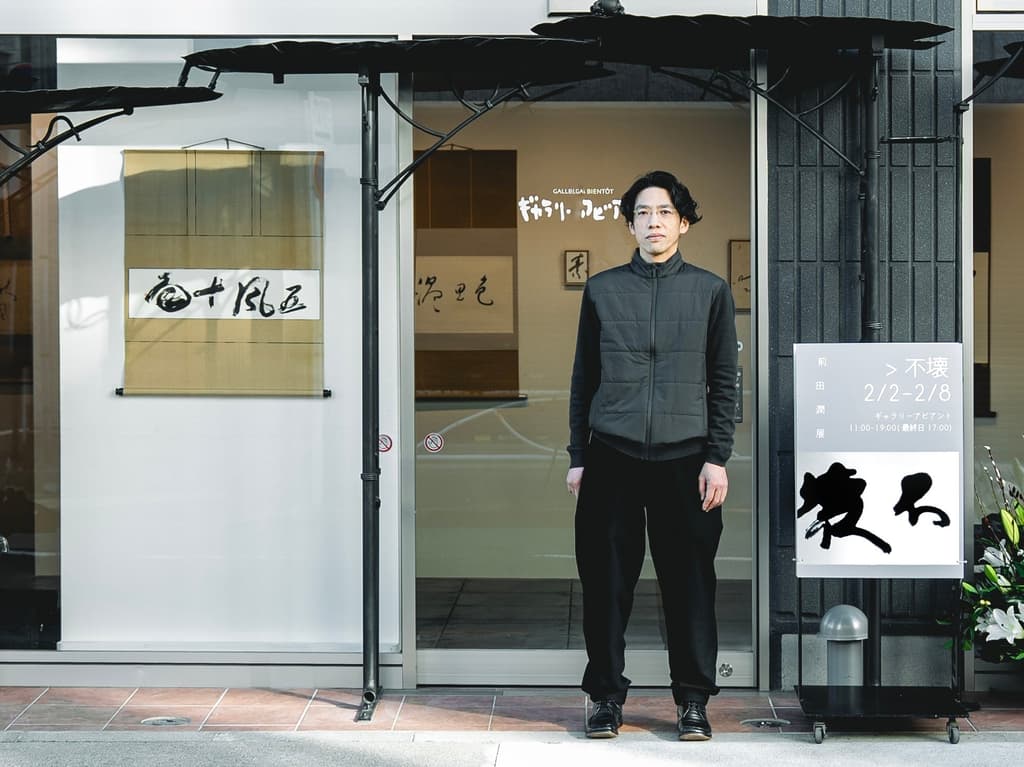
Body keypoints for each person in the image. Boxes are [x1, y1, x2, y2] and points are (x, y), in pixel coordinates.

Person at [566, 170, 738, 741]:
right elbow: (584, 378)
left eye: (664, 212)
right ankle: (604, 698)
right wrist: (578, 456)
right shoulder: (603, 289)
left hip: (686, 459)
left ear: (683, 223)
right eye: (642, 213)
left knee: (690, 586)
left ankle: (693, 701)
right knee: (605, 584)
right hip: (611, 455)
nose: (653, 222)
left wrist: (717, 457)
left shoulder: (710, 290)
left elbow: (725, 381)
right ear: (631, 225)